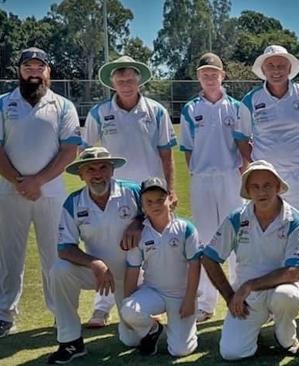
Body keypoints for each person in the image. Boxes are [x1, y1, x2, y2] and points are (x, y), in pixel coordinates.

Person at [83, 55, 177, 328]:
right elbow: (85, 154)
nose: (125, 83)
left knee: (150, 248)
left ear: (139, 80)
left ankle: (148, 302)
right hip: (112, 194)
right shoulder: (98, 113)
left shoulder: (156, 110)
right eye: (120, 79)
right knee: (109, 247)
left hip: (151, 193)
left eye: (130, 78)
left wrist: (170, 191)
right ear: (113, 82)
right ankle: (102, 308)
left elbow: (166, 154)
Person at [235, 45, 299, 324]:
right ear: (263, 69)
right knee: (267, 240)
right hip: (265, 184)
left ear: (290, 68)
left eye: (281, 65)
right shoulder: (250, 100)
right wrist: (258, 168)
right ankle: (271, 301)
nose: (276, 70)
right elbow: (241, 137)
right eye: (271, 66)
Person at [0, 47, 81, 337]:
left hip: (51, 193)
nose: (34, 72)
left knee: (55, 256)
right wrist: (20, 181)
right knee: (9, 257)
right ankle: (4, 314)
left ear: (48, 71)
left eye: (39, 67)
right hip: (10, 193)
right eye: (28, 67)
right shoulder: (3, 103)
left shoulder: (63, 105)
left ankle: (60, 312)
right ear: (19, 71)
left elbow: (70, 150)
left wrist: (38, 181)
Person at [201, 160, 299, 360]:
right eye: (255, 187)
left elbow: (294, 271)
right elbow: (209, 258)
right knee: (231, 352)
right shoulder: (237, 218)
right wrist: (230, 297)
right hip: (247, 298)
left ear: (277, 187)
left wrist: (250, 285)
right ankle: (254, 328)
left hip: (281, 289)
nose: (262, 192)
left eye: (267, 185)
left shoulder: (294, 220)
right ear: (248, 191)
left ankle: (285, 336)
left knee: (287, 296)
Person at [47, 147, 141, 363]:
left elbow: (161, 215)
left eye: (103, 167)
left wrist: (138, 222)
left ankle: (147, 319)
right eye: (90, 169)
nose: (97, 174)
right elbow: (65, 248)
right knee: (59, 271)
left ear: (112, 170)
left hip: (134, 274)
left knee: (132, 340)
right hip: (100, 276)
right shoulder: (73, 202)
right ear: (81, 175)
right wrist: (95, 263)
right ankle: (70, 341)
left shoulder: (133, 191)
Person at [180, 52, 243, 322]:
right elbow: (187, 149)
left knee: (238, 238)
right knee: (205, 239)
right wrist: (198, 172)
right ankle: (207, 303)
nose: (209, 77)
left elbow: (243, 144)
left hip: (232, 177)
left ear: (222, 75)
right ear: (198, 77)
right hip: (202, 179)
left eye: (213, 73)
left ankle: (242, 295)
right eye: (204, 73)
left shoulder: (237, 107)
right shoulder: (190, 109)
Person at [121, 177, 201, 356]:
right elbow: (133, 269)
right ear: (143, 206)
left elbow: (195, 266)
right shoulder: (139, 233)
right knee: (128, 310)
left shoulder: (186, 229)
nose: (155, 205)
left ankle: (184, 327)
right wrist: (127, 307)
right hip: (153, 291)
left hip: (181, 295)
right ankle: (153, 329)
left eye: (160, 199)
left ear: (170, 199)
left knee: (180, 351)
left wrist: (189, 300)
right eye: (149, 202)